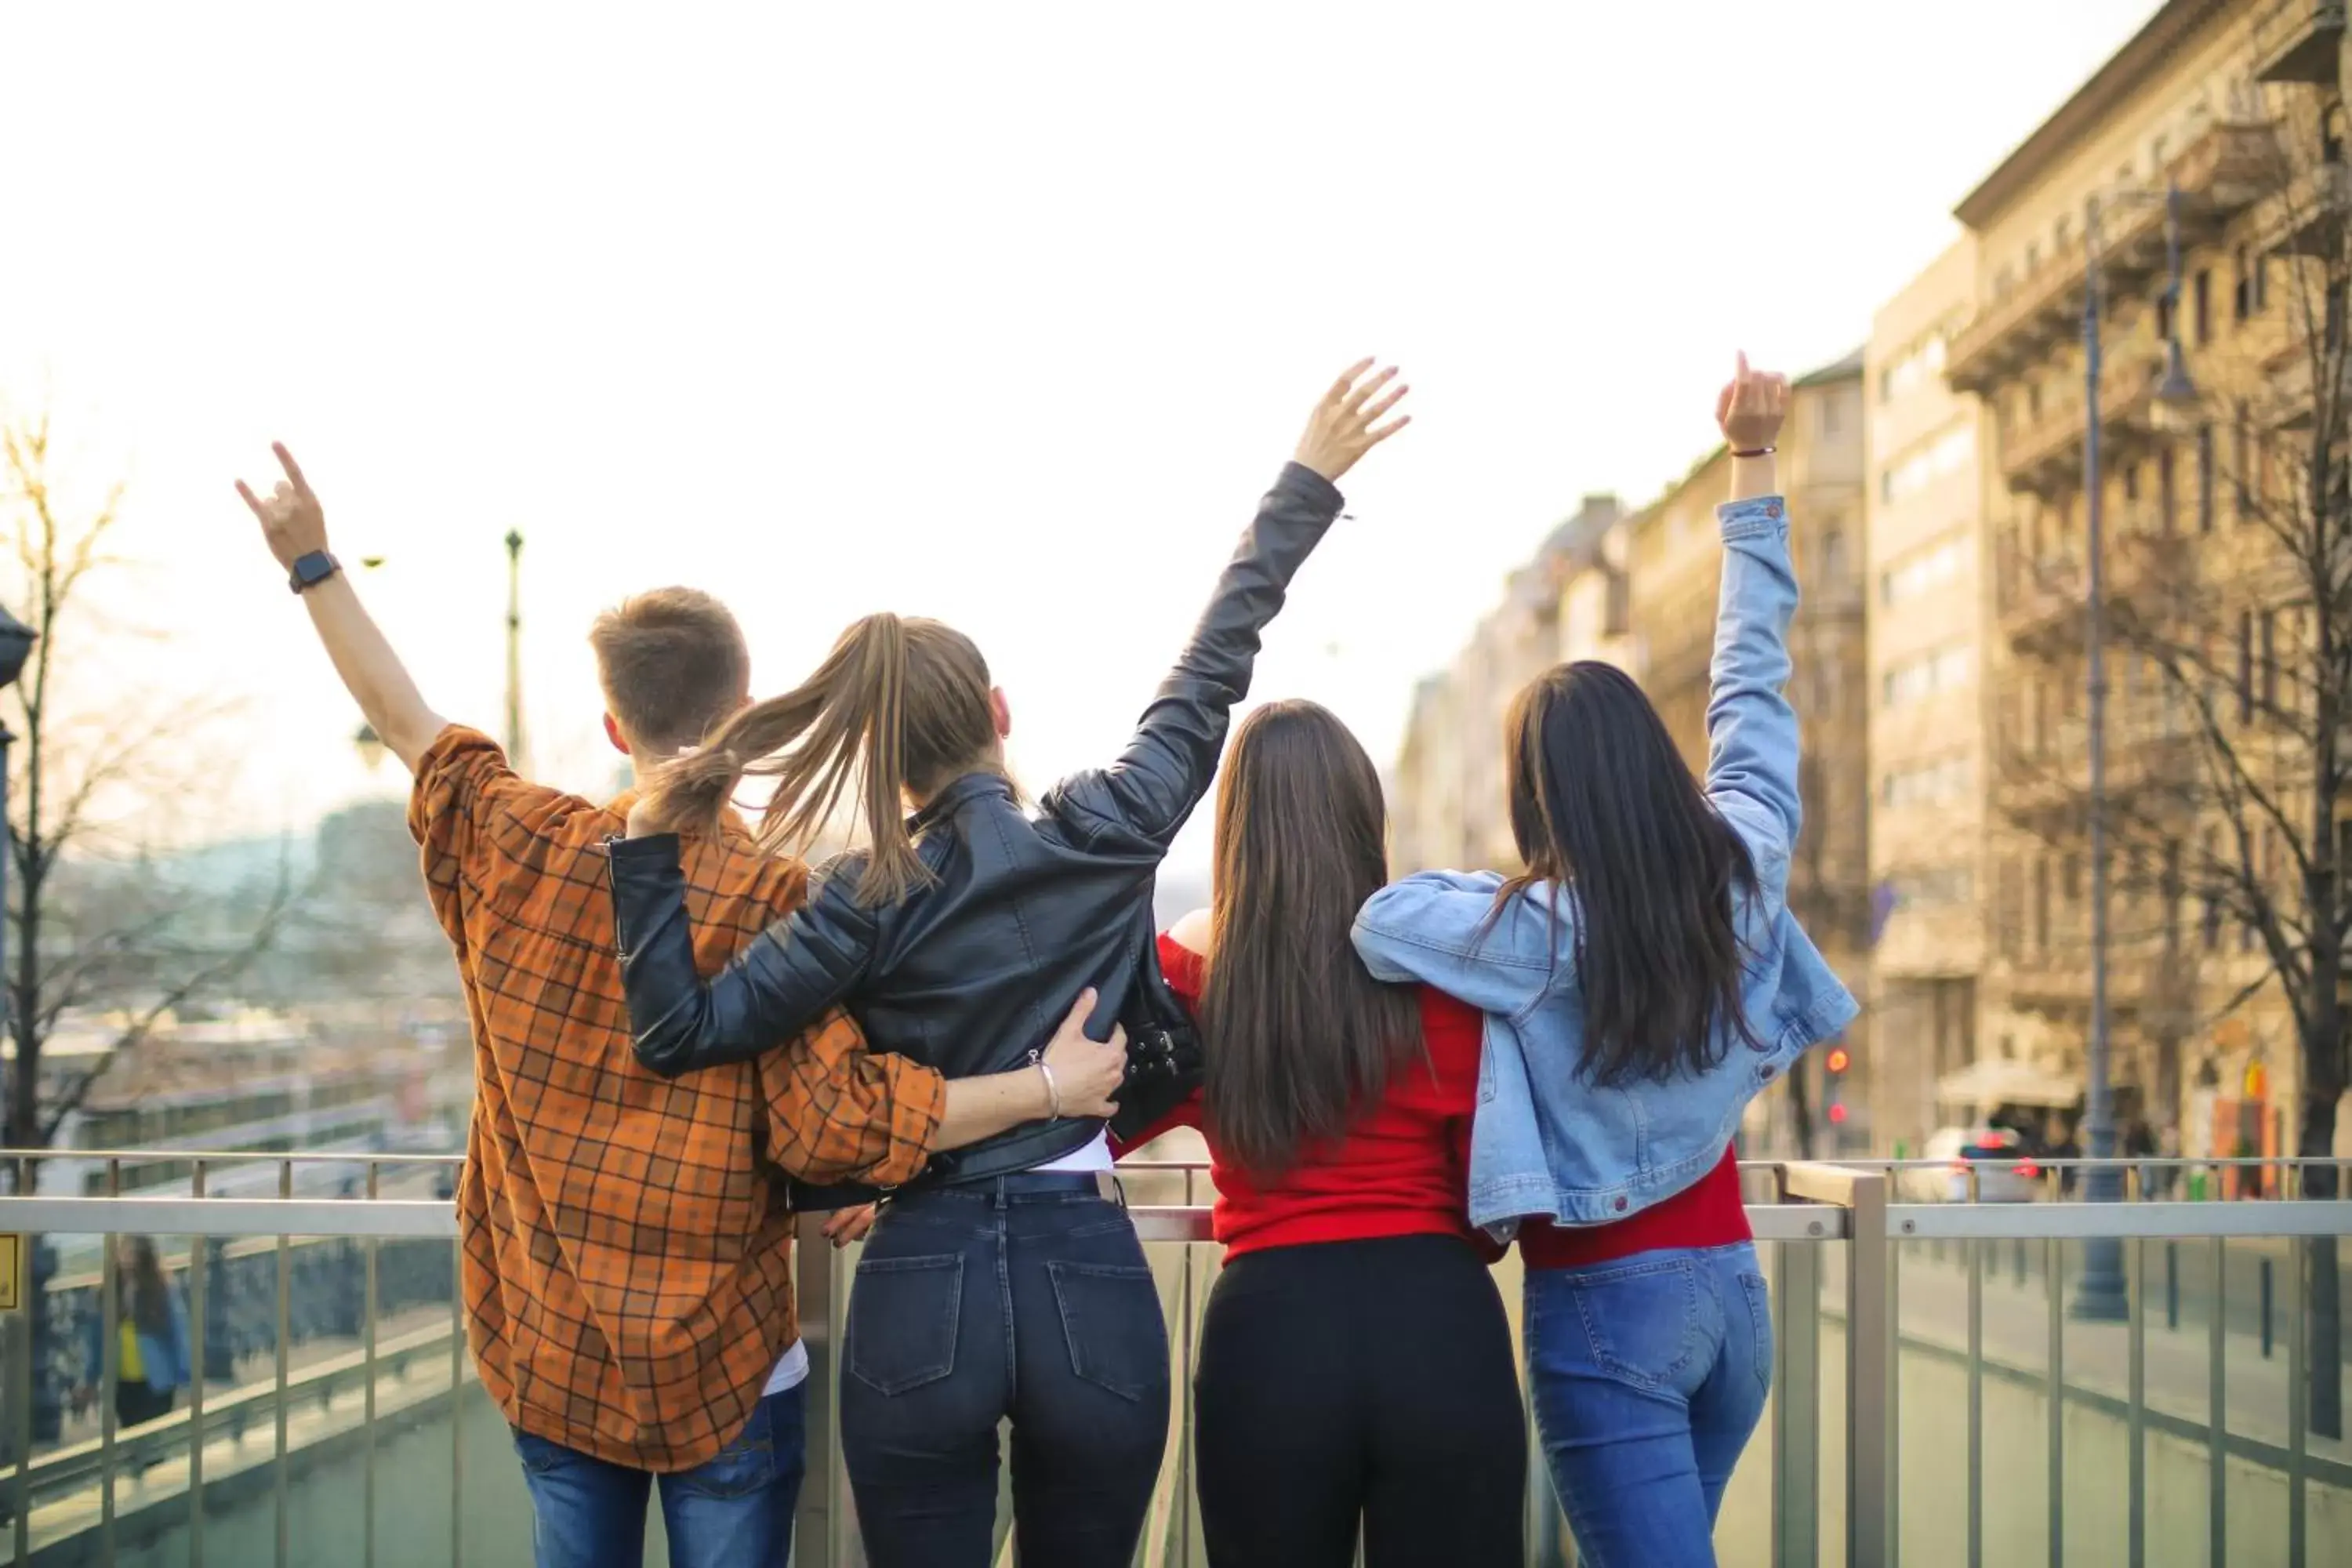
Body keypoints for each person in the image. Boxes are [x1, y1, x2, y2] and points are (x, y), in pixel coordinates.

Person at [236, 448, 1127, 1568]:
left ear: (614, 727)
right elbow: (835, 1126)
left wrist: (312, 560)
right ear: (746, 711)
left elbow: (406, 718)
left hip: (550, 1346)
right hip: (729, 1368)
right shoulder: (777, 904)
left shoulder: (519, 848)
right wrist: (1046, 1090)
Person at [605, 361, 1410, 1568]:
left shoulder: (859, 898)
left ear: (883, 756)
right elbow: (1217, 659)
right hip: (1088, 1271)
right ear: (1001, 709)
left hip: (918, 1277)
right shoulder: (1110, 829)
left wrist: (645, 846)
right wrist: (1304, 483)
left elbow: (680, 1032)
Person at [1352, 357, 1857, 1567]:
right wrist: (1753, 460)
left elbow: (1381, 920)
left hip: (1606, 1307)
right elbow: (1751, 676)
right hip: (1733, 1299)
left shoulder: (1533, 935)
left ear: (1537, 795)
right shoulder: (1741, 858)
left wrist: (1508, 882)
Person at [1118, 699, 1524, 1568]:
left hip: (1272, 1340)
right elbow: (1491, 1190)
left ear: (1236, 836)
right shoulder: (1447, 982)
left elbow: (1099, 1133)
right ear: (1363, 820)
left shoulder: (1190, 982)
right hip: (1440, 1326)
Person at [78, 1236, 192, 1432]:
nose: (128, 1258)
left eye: (133, 1252)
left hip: (157, 1381)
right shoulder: (107, 1291)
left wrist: (185, 1378)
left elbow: (178, 1333)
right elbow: (97, 1341)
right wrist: (90, 1379)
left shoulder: (161, 1289)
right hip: (123, 1384)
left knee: (153, 1442)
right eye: (124, 1252)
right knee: (130, 1438)